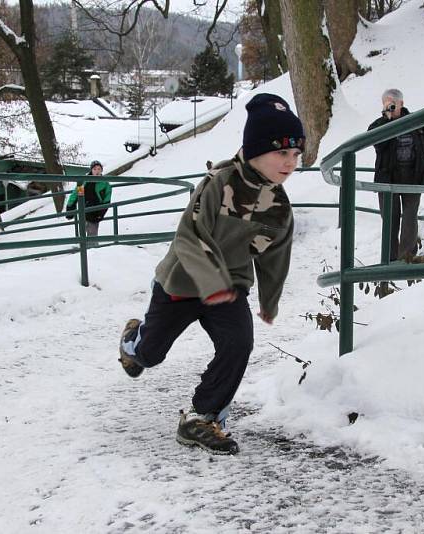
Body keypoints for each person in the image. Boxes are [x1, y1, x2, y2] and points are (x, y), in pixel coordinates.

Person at [117, 93, 303, 455]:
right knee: (150, 355)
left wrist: (269, 300)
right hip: (181, 284)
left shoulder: (277, 204)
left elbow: (276, 252)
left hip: (229, 288)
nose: (290, 162)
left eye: (296, 154)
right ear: (255, 151)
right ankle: (131, 342)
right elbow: (191, 237)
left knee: (238, 344)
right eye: (282, 153)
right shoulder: (219, 183)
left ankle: (203, 417)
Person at [367, 88, 424, 261]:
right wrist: (386, 120)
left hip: (413, 178)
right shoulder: (378, 125)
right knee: (390, 221)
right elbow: (376, 144)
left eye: (393, 103)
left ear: (402, 103)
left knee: (410, 219)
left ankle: (407, 259)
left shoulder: (418, 123)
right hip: (388, 180)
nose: (390, 106)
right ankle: (390, 261)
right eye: (387, 103)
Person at [65, 160, 113, 237]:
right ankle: (82, 246)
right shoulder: (84, 182)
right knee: (82, 232)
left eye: (99, 169)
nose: (97, 171)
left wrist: (101, 213)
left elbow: (107, 200)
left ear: (101, 170)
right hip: (83, 210)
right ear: (91, 170)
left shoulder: (105, 184)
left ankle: (92, 247)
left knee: (92, 233)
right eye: (94, 169)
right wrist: (70, 208)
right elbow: (76, 194)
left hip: (95, 211)